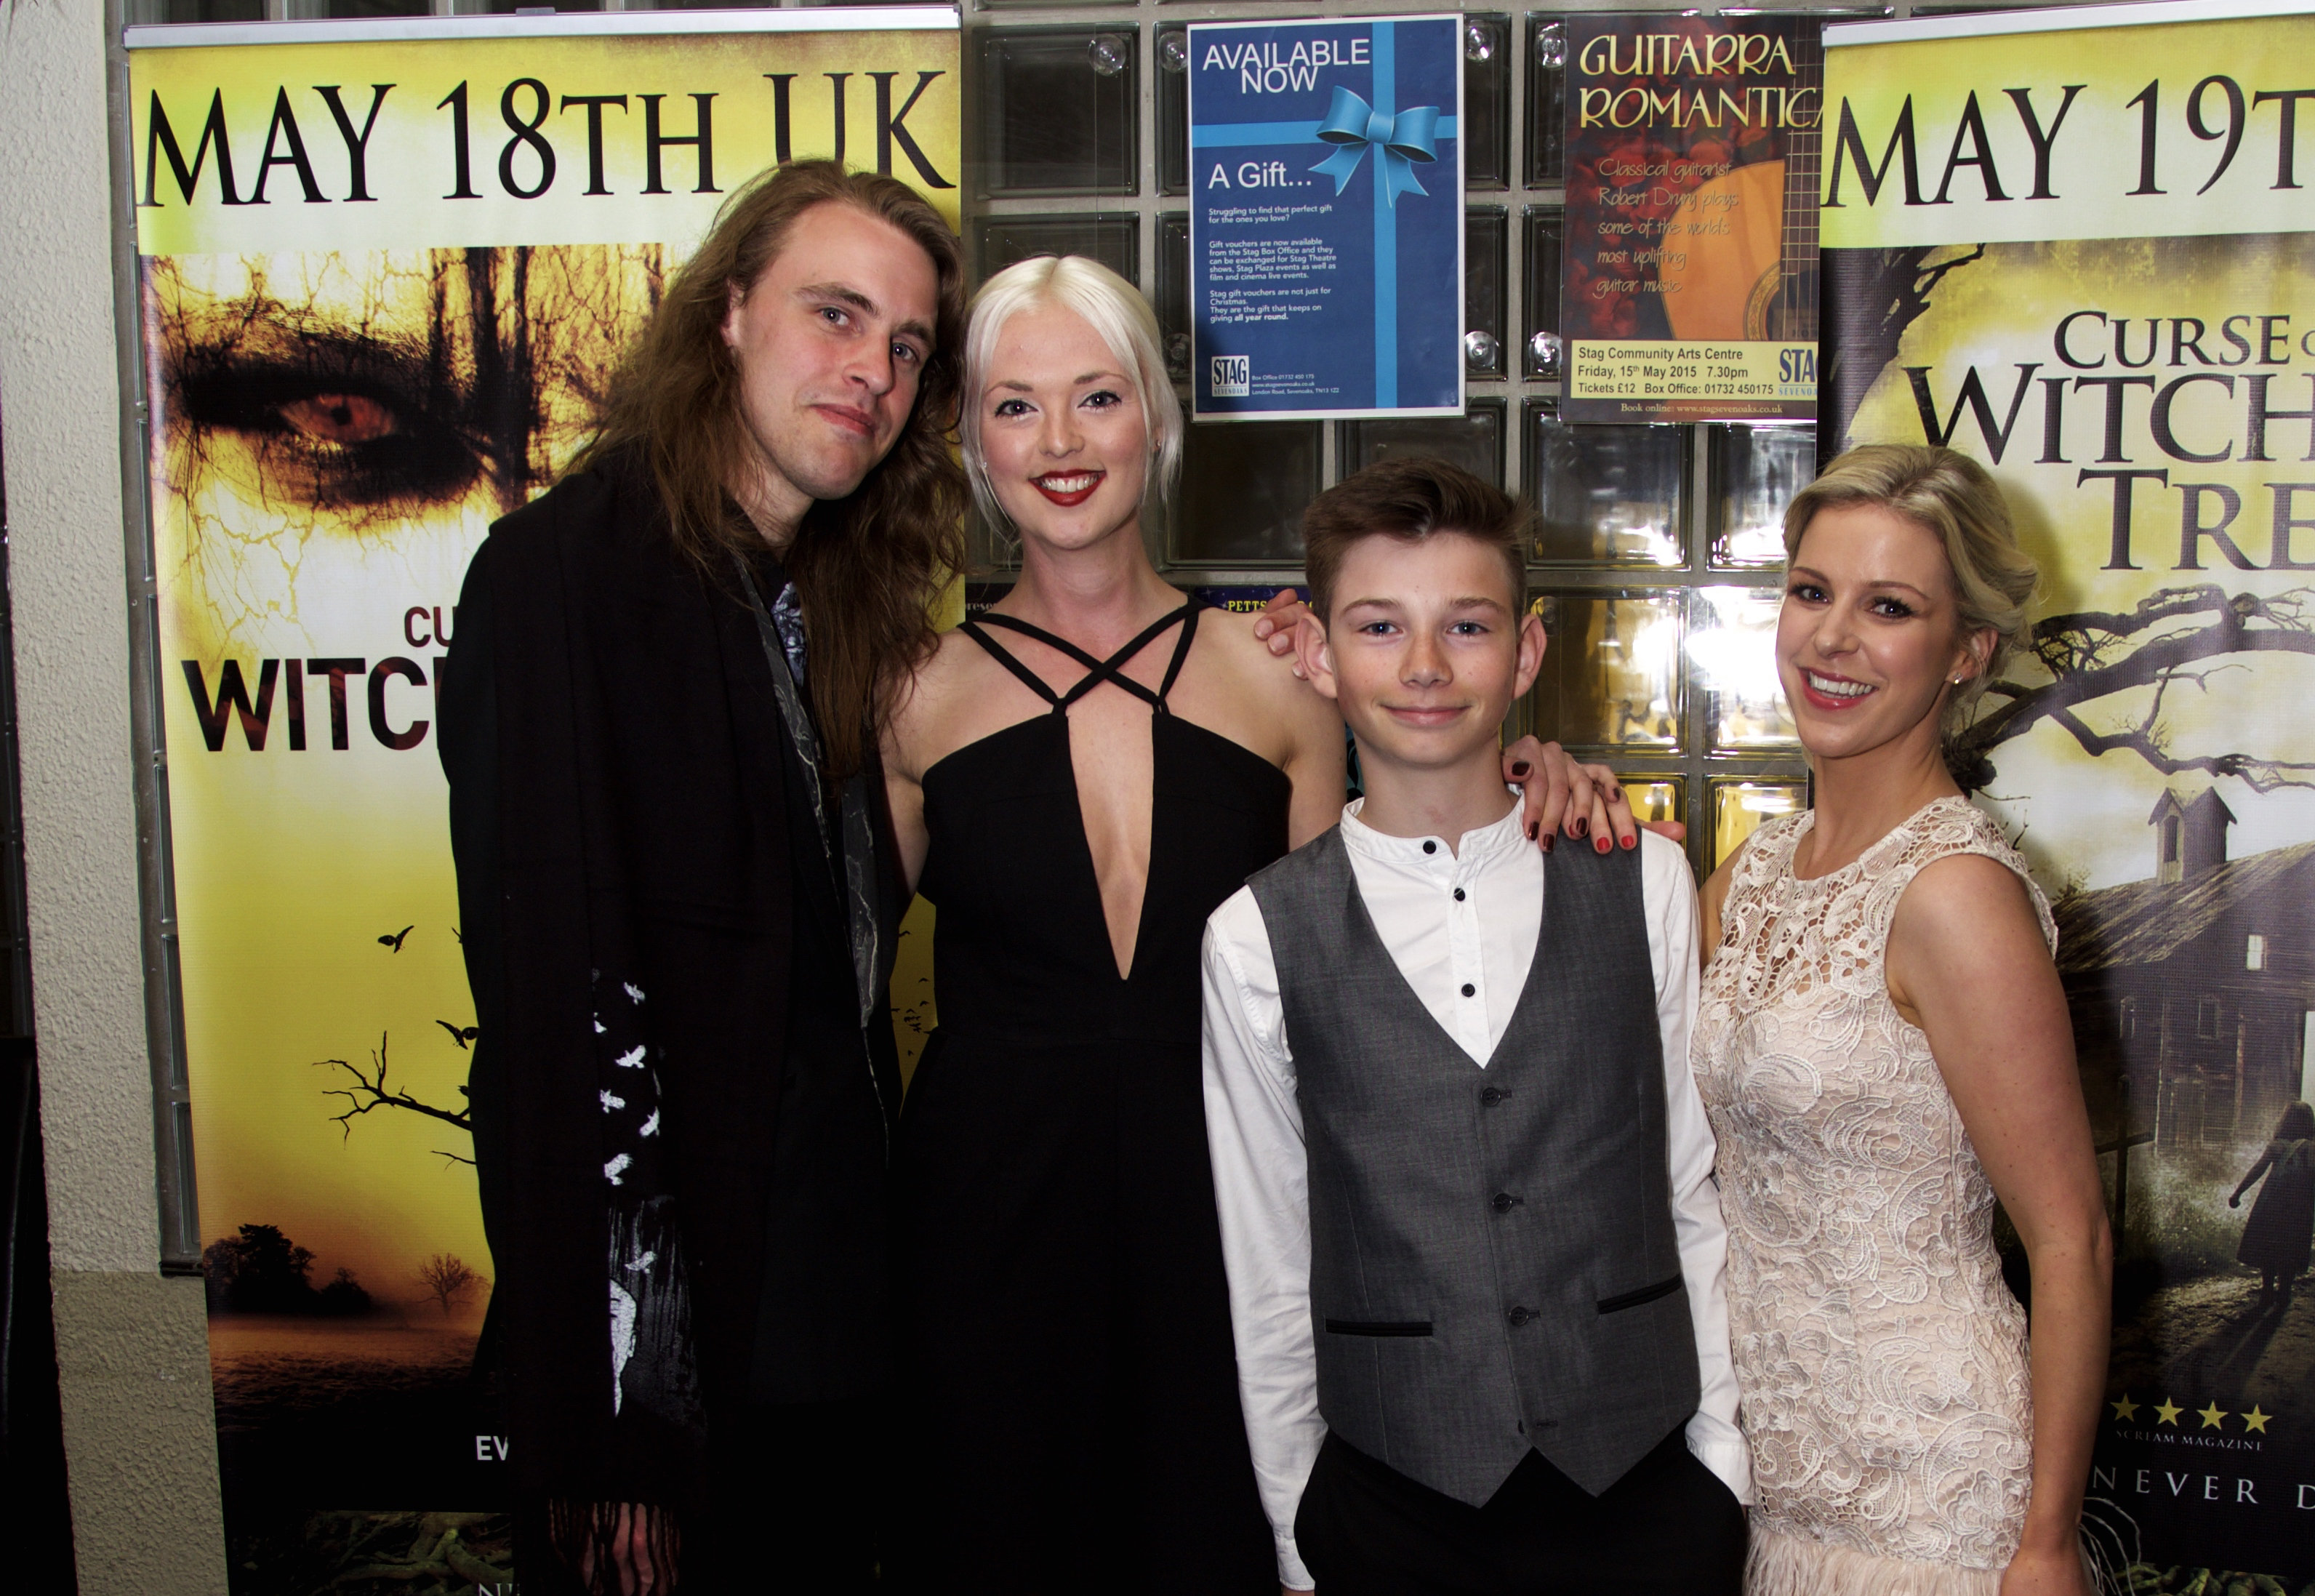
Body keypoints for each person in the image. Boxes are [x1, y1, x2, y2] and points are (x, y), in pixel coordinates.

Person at [878, 264, 1645, 1592]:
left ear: (1156, 422)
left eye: (1096, 398)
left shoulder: (1280, 676)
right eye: (1016, 406)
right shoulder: (907, 694)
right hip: (981, 1235)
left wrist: (1534, 767)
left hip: (1228, 1227)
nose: (1059, 443)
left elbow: (1385, 940)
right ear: (972, 442)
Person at [444, 159, 966, 1594]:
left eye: (907, 345)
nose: (871, 369)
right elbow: (560, 1026)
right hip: (681, 1389)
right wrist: (620, 1425)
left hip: (834, 1348)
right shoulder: (565, 576)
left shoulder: (824, 599)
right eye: (835, 314)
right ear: (728, 312)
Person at [1199, 457, 1751, 1596]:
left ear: (1526, 650)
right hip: (1394, 1498)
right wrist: (1297, 1531)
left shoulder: (1641, 880)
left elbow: (1690, 1187)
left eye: (1464, 625)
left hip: (1643, 1484)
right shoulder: (1254, 935)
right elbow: (1267, 1253)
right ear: (1315, 653)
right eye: (1376, 625)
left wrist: (1722, 1466)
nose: (1421, 666)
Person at [1694, 444, 2111, 1596]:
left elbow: (2070, 1236)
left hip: (1929, 1505)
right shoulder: (1755, 870)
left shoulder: (1956, 894)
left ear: (1964, 653)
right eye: (1811, 591)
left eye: (1888, 607)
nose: (1830, 638)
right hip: (1761, 1478)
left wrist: (2044, 1543)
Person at [2228, 1101, 2315, 1299]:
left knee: (2270, 1241)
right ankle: (2285, 1289)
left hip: (2272, 1199)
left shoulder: (2275, 1146)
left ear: (2284, 1122)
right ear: (2309, 1124)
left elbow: (2257, 1170)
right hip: (2298, 1204)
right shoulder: (2309, 1147)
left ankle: (2267, 1287)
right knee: (2291, 1243)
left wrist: (2238, 1193)